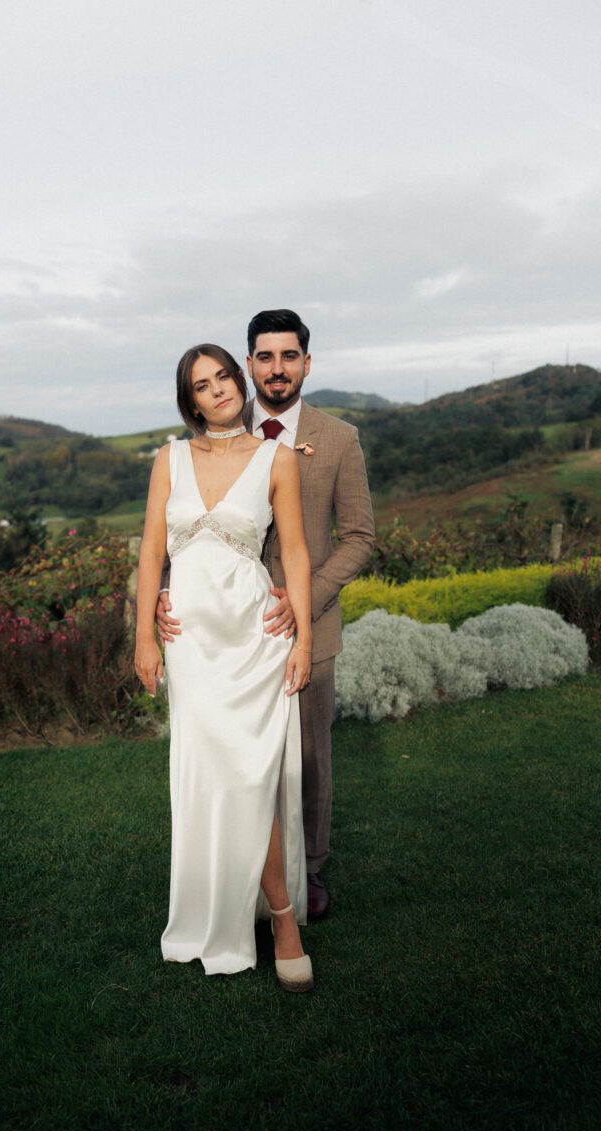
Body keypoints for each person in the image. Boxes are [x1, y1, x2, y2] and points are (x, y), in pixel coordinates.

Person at [158, 311, 375, 921]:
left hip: (303, 625)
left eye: (289, 356)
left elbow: (359, 536)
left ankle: (306, 873)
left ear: (307, 362)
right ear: (247, 365)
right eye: (263, 357)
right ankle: (234, 876)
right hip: (220, 632)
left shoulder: (338, 438)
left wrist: (301, 600)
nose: (276, 368)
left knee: (303, 762)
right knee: (228, 761)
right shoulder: (215, 428)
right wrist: (163, 591)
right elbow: (180, 527)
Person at [135, 343, 314, 990]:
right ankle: (232, 912)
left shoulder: (276, 458)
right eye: (202, 385)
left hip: (252, 637)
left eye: (223, 377)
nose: (218, 390)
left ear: (239, 383)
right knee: (213, 779)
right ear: (190, 401)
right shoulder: (169, 460)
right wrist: (142, 640)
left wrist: (302, 638)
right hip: (188, 642)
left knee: (250, 777)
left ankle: (283, 919)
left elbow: (293, 552)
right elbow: (153, 551)